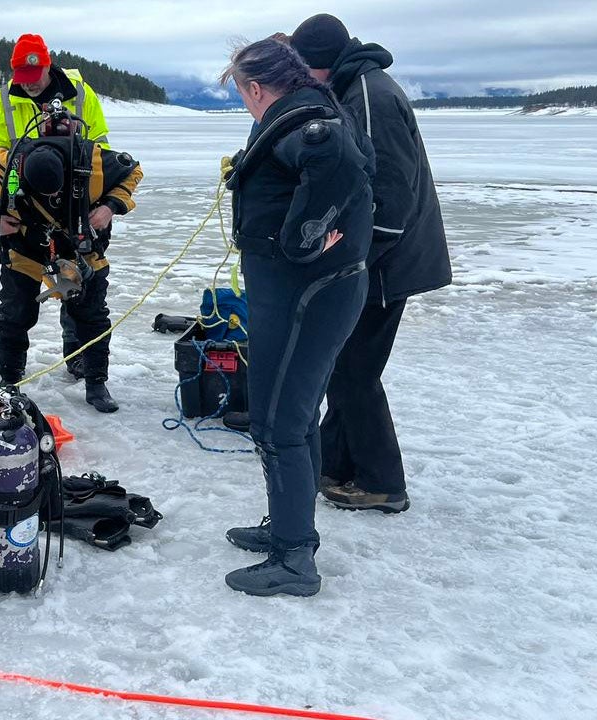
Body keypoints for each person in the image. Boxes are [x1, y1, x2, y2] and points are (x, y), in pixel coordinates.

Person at [219, 38, 376, 597]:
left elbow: (337, 162)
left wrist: (303, 239)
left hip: (305, 296)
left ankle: (293, 560)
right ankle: (291, 529)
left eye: (241, 93)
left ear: (256, 88)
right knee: (298, 414)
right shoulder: (316, 109)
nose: (244, 103)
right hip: (307, 293)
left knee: (277, 422)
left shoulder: (308, 126)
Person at [290, 14, 451, 513]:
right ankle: (335, 465)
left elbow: (391, 195)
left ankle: (382, 483)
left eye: (303, 71)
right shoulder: (356, 83)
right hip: (384, 257)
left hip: (387, 262)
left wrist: (357, 259)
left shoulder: (369, 95)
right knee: (344, 365)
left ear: (320, 64)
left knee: (353, 372)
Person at [0, 122, 143, 413]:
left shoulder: (92, 161)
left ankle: (96, 381)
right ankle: (9, 379)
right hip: (25, 249)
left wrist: (110, 206)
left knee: (92, 316)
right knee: (15, 315)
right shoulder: (5, 164)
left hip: (80, 250)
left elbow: (133, 171)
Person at [0, 33, 113, 381]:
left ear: (47, 64)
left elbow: (102, 150)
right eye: (22, 80)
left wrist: (106, 206)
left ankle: (79, 358)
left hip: (76, 210)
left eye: (35, 77)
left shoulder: (80, 94)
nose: (30, 86)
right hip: (26, 215)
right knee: (16, 306)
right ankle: (10, 376)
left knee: (82, 297)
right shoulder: (3, 102)